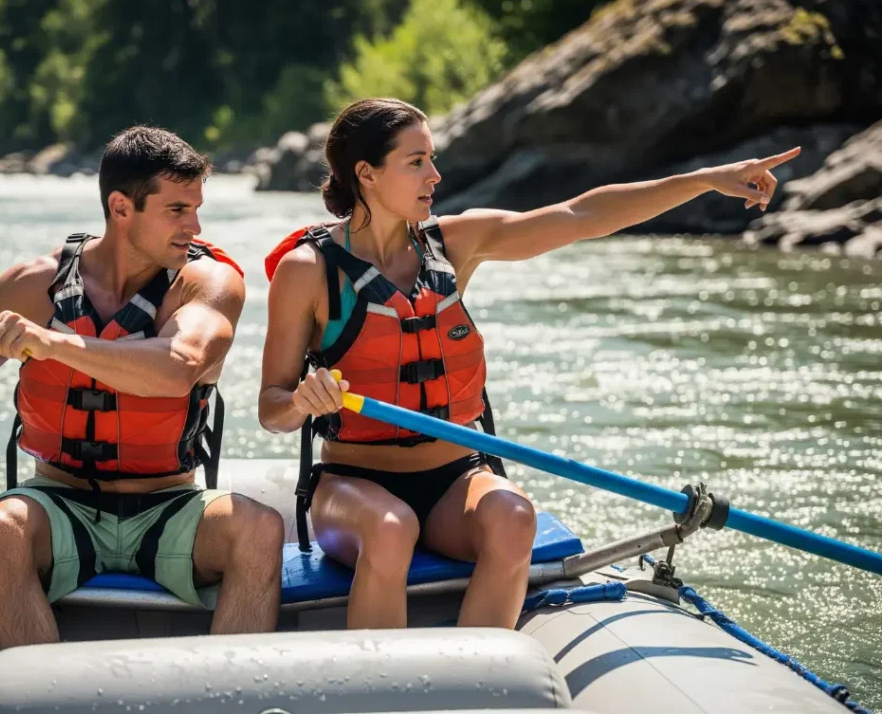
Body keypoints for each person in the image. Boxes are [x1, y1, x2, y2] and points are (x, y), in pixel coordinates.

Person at [258, 97, 799, 630]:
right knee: (391, 527)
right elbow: (272, 408)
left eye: (433, 157)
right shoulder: (308, 271)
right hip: (354, 486)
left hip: (454, 479)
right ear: (366, 174)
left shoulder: (453, 246)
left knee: (515, 518)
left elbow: (579, 215)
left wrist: (705, 179)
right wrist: (303, 399)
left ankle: (477, 681)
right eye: (416, 161)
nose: (436, 176)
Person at [0, 126, 284, 648]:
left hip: (169, 505)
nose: (194, 226)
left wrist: (52, 343)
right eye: (177, 210)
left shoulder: (208, 282)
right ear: (121, 207)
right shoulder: (34, 285)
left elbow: (178, 366)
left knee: (260, 530)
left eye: (196, 208)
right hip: (59, 502)